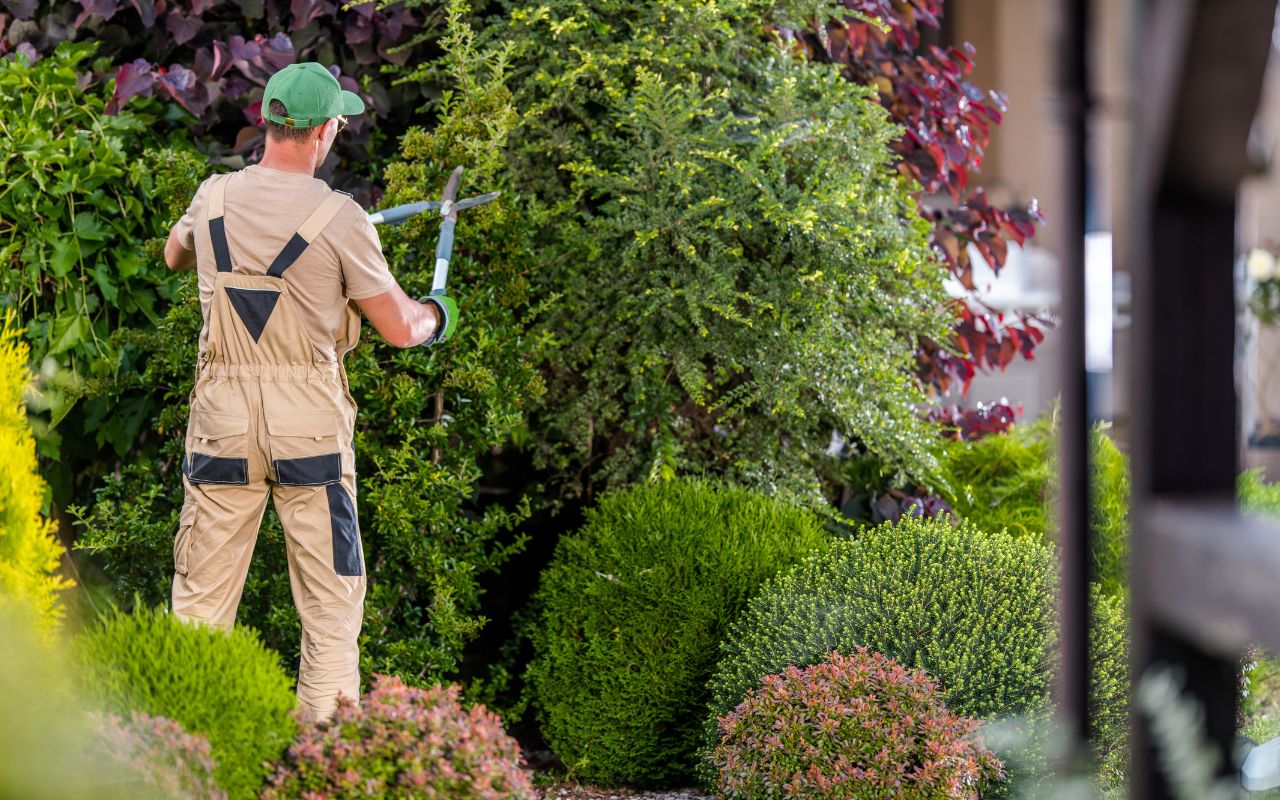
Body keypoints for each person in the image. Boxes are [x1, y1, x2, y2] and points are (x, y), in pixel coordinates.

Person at [162, 62, 451, 722]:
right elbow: (403, 329)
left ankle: (179, 763)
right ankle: (321, 767)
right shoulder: (342, 218)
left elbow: (174, 255)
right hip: (309, 428)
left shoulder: (211, 198)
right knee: (329, 606)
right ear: (323, 131)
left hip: (222, 421)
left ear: (266, 123)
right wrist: (440, 312)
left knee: (199, 606)